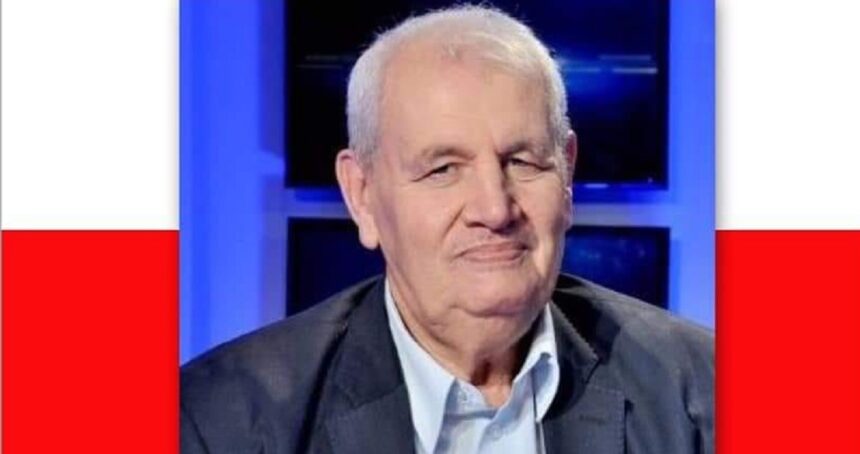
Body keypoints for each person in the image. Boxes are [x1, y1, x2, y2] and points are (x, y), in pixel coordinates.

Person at [181, 5, 714, 454]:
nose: (494, 209)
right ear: (362, 195)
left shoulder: (705, 394)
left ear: (567, 174)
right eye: (442, 169)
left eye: (523, 161)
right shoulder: (222, 420)